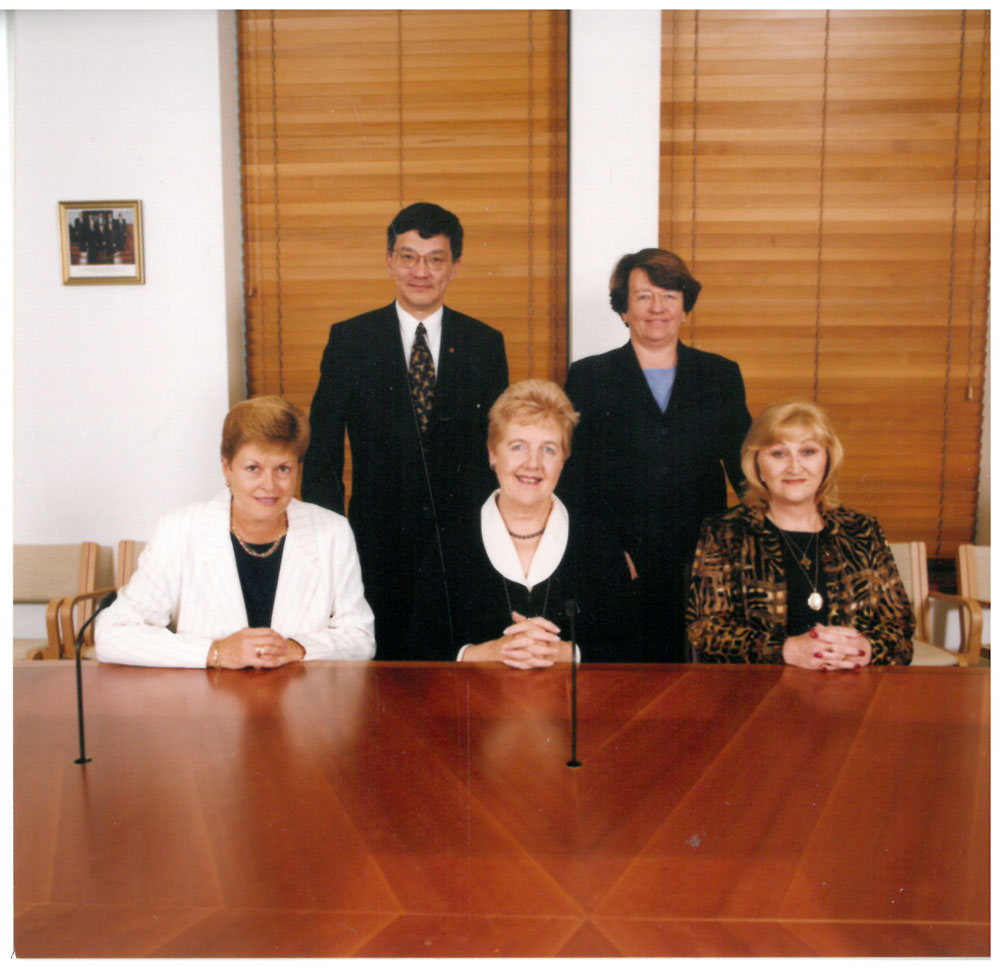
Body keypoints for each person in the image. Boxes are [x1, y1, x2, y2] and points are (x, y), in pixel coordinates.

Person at [302, 202, 509, 659]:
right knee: (381, 678)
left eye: (435, 259)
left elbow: (500, 452)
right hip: (375, 544)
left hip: (463, 543)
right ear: (390, 260)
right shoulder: (350, 340)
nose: (421, 271)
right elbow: (322, 453)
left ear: (454, 267)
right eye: (409, 256)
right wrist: (328, 541)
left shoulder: (484, 344)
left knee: (458, 671)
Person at [562, 248, 750, 662]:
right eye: (643, 296)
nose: (657, 307)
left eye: (669, 294)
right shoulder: (589, 377)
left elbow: (746, 470)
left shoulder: (720, 374)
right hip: (621, 561)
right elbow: (575, 480)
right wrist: (606, 550)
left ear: (685, 306)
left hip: (703, 563)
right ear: (624, 309)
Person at [96, 396, 375, 668]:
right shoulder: (179, 530)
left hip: (301, 704)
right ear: (227, 468)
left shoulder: (332, 531)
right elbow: (112, 634)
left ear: (298, 469)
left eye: (283, 469)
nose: (269, 485)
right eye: (253, 468)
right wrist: (216, 652)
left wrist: (299, 648)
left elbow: (361, 637)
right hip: (206, 706)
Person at [408, 379, 637, 666]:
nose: (533, 464)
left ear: (564, 459)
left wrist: (566, 653)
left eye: (549, 450)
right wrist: (485, 654)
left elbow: (632, 649)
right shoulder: (450, 543)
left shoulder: (599, 543)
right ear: (493, 453)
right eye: (518, 447)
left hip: (574, 708)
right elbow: (419, 649)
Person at [686, 400, 914, 668]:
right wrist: (785, 650)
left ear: (827, 460)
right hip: (758, 693)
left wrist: (866, 649)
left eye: (808, 451)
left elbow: (900, 628)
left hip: (851, 689)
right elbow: (705, 630)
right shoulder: (725, 531)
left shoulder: (862, 529)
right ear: (757, 464)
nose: (795, 467)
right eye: (778, 454)